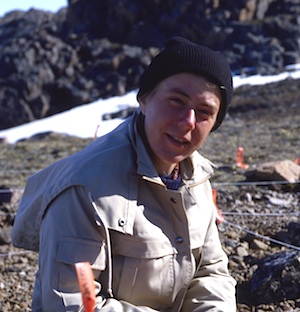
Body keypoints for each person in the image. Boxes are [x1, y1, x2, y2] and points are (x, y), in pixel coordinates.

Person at [12, 36, 237, 311]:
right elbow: (77, 303)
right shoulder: (85, 188)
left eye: (204, 112)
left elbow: (211, 273)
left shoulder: (197, 177)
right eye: (176, 101)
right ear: (144, 100)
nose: (188, 122)